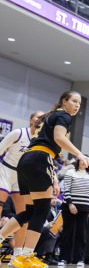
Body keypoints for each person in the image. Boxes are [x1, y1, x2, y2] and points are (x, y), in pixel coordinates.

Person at [0, 91, 89, 268]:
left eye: (79, 103)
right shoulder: (63, 116)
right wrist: (79, 154)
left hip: (26, 161)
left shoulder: (49, 116)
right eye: (74, 101)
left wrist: (54, 180)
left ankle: (3, 239)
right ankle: (25, 256)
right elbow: (59, 138)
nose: (77, 106)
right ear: (64, 101)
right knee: (42, 208)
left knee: (30, 210)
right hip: (40, 159)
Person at [0, 110, 44, 258]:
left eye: (43, 118)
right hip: (5, 170)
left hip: (22, 176)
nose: (40, 120)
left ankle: (17, 254)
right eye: (38, 117)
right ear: (31, 119)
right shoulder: (18, 133)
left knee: (23, 215)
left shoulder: (40, 142)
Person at [59, 157, 89, 266]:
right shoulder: (70, 172)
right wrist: (70, 203)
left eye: (86, 161)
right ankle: (64, 258)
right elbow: (66, 189)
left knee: (81, 234)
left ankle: (79, 259)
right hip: (69, 206)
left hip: (84, 207)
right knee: (67, 233)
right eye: (82, 160)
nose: (83, 163)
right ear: (78, 162)